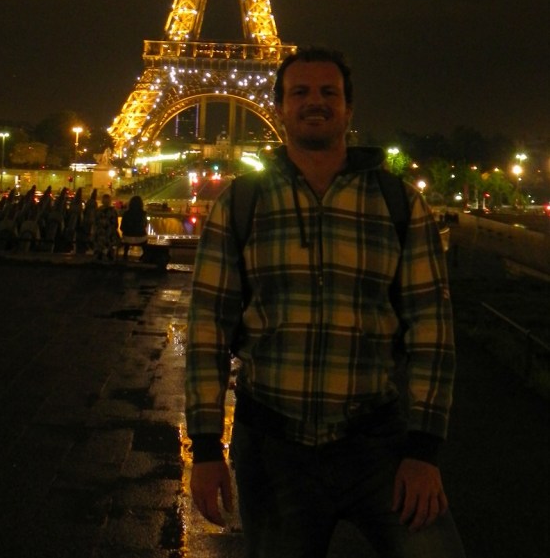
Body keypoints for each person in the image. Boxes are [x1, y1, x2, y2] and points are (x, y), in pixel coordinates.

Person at [185, 46, 465, 558]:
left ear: (348, 107)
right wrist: (205, 449)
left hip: (378, 442)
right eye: (300, 92)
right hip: (273, 449)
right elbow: (207, 329)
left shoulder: (400, 202)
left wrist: (424, 452)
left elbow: (432, 330)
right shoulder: (241, 202)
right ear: (280, 108)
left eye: (327, 92)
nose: (314, 101)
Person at [119, 194, 148, 261]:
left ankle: (125, 254)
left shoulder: (126, 213)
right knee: (145, 240)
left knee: (127, 238)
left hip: (127, 238)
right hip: (141, 238)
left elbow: (122, 228)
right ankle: (145, 255)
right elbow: (145, 225)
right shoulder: (143, 214)